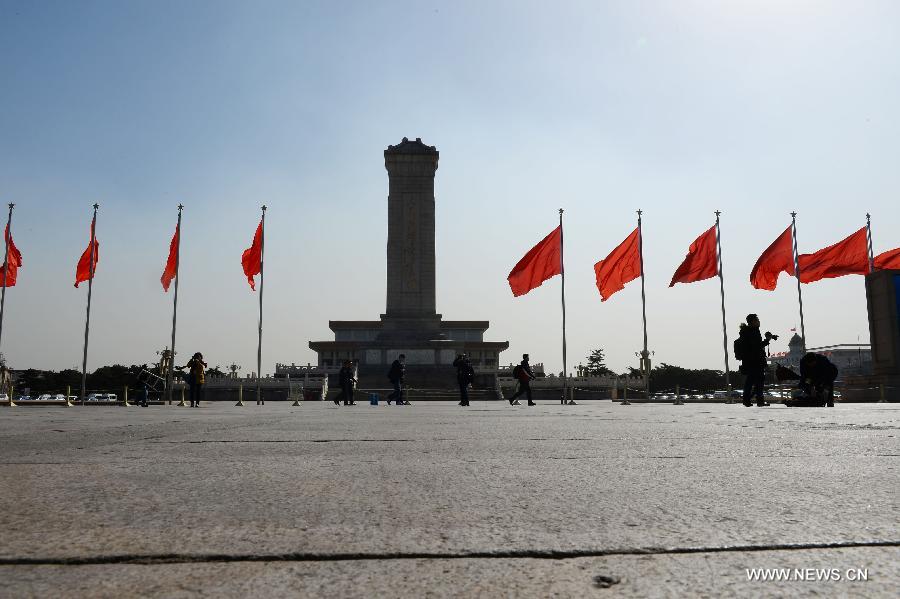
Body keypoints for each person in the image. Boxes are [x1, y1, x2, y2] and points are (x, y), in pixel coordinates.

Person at [736, 314, 774, 407]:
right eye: (757, 320)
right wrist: (766, 341)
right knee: (758, 381)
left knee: (752, 380)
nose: (759, 321)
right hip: (755, 361)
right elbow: (756, 346)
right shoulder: (752, 332)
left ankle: (748, 400)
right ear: (752, 321)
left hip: (750, 361)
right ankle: (758, 401)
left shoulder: (747, 331)